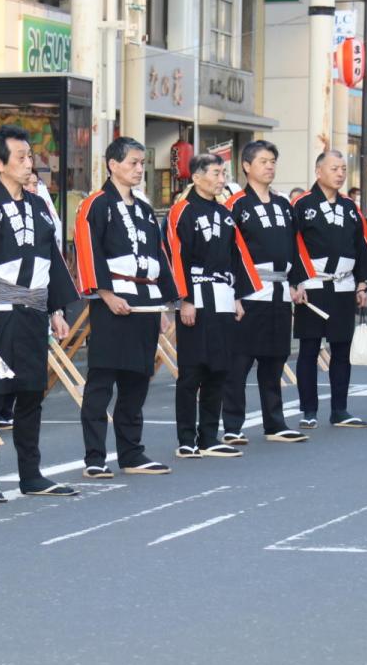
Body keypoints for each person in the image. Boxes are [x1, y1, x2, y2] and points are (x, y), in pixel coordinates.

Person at [0, 124, 79, 502]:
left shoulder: (38, 205)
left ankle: (31, 475)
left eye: (31, 156)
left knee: (31, 394)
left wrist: (58, 308)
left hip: (34, 311)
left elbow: (52, 260)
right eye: (22, 157)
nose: (30, 163)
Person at [73, 137, 177, 477]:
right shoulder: (96, 205)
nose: (138, 169)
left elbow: (159, 254)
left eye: (141, 163)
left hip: (146, 300)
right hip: (114, 297)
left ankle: (132, 453)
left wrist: (165, 302)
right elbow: (88, 250)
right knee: (102, 377)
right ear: (112, 164)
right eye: (132, 162)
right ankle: (94, 457)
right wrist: (105, 294)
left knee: (138, 377)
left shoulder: (145, 209)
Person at [166, 153, 255, 459]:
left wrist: (239, 296)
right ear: (197, 177)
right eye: (216, 173)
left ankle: (209, 435)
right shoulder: (182, 211)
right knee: (192, 369)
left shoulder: (225, 213)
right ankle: (186, 438)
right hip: (197, 291)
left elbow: (236, 256)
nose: (222, 179)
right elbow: (176, 256)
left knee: (220, 367)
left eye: (223, 173)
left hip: (223, 292)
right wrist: (185, 298)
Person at [289, 150, 367, 429]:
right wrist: (297, 282)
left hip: (344, 284)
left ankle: (340, 409)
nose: (340, 173)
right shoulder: (302, 204)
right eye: (334, 168)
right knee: (309, 347)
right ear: (319, 171)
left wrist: (363, 282)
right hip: (313, 283)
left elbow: (363, 244)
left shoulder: (350, 206)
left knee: (341, 348)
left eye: (343, 168)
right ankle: (308, 409)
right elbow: (292, 244)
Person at [221, 140, 307, 445]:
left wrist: (298, 282)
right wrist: (235, 293)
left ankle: (275, 422)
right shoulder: (236, 205)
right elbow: (228, 251)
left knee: (275, 360)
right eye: (263, 161)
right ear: (246, 166)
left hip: (280, 289)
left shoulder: (284, 204)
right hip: (250, 289)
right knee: (240, 361)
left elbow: (295, 246)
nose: (269, 166)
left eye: (273, 161)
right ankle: (232, 424)